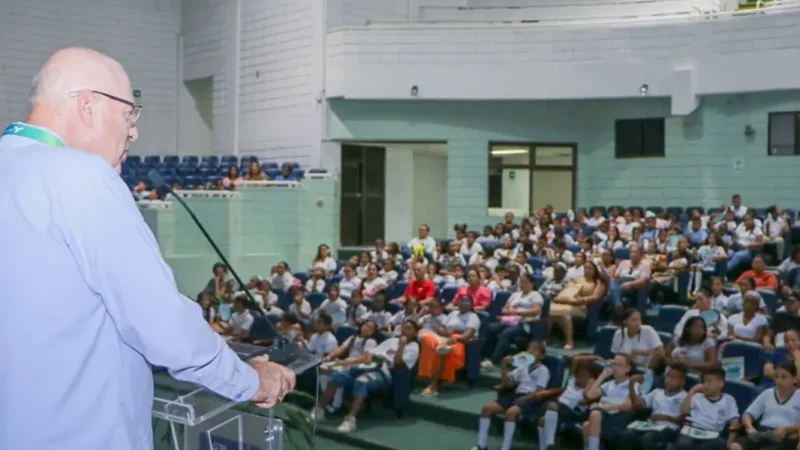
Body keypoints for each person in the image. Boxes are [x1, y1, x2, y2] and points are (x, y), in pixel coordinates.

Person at [0, 47, 294, 450]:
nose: (133, 132)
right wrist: (249, 379)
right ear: (88, 106)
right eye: (128, 114)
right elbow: (161, 325)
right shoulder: (82, 177)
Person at [471, 342, 553, 450]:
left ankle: (506, 447)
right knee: (487, 409)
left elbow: (538, 392)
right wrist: (504, 366)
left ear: (542, 356)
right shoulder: (522, 367)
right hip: (515, 396)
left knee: (511, 413)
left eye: (535, 350)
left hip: (530, 398)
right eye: (529, 349)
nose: (531, 351)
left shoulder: (543, 370)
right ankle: (481, 444)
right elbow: (506, 384)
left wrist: (524, 398)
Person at [616, 364, 688, 450]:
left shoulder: (685, 397)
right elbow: (636, 405)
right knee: (627, 435)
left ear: (682, 381)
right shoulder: (657, 392)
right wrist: (631, 384)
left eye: (674, 378)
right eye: (668, 376)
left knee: (648, 439)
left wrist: (665, 418)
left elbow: (684, 421)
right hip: (651, 425)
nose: (669, 380)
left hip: (669, 429)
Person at [733, 361, 800, 450]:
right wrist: (750, 428)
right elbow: (747, 415)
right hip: (763, 432)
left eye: (784, 377)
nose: (779, 381)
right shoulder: (767, 393)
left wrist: (787, 429)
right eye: (776, 377)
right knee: (735, 446)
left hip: (786, 436)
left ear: (794, 379)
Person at [674, 367, 740, 450]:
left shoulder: (729, 400)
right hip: (692, 429)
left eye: (709, 382)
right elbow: (683, 412)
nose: (705, 385)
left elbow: (734, 422)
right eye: (704, 382)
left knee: (718, 444)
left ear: (721, 384)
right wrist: (692, 391)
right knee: (683, 444)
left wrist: (729, 442)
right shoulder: (697, 396)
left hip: (712, 434)